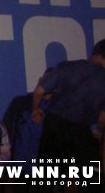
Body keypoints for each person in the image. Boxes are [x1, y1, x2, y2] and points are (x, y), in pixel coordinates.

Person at [31, 39, 105, 191]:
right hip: (82, 131)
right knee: (90, 179)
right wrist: (98, 129)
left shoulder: (69, 67)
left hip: (55, 125)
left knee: (46, 178)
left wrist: (36, 108)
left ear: (94, 53)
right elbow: (102, 117)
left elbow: (39, 91)